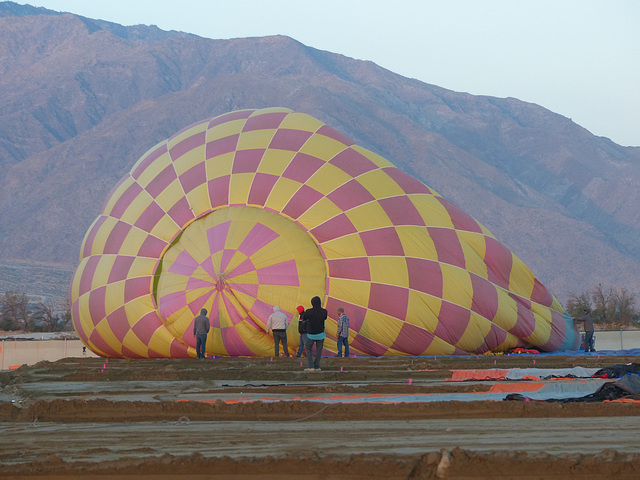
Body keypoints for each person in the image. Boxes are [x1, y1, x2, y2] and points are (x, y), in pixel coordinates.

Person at [304, 296, 328, 371]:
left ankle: (311, 366)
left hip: (311, 334)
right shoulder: (324, 311)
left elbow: (304, 318)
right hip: (320, 334)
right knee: (319, 351)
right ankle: (317, 366)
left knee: (308, 349)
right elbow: (324, 318)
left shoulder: (308, 311)